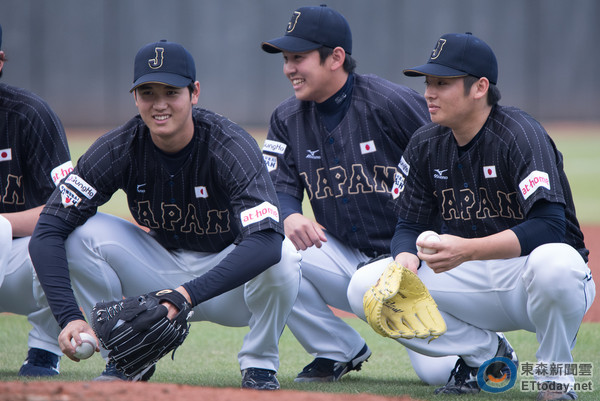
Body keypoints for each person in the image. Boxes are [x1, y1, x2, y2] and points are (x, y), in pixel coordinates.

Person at [29, 39, 301, 390]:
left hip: (228, 284)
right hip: (157, 275)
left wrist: (185, 295)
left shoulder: (230, 144)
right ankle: (127, 359)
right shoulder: (119, 146)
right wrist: (69, 317)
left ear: (194, 92)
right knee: (81, 233)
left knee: (284, 254)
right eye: (147, 92)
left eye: (171, 91)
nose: (159, 104)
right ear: (135, 97)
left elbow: (265, 242)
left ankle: (260, 366)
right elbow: (49, 227)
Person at [347, 32, 595, 400]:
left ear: (479, 87)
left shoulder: (520, 134)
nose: (429, 92)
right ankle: (487, 354)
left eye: (442, 83)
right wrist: (404, 263)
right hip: (468, 277)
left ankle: (554, 382)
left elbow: (549, 226)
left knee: (556, 264)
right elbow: (410, 225)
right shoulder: (426, 142)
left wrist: (467, 250)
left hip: (528, 277)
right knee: (365, 285)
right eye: (428, 82)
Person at [261, 5, 457, 385]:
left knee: (441, 372)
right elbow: (277, 185)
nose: (289, 68)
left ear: (335, 58)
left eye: (298, 57)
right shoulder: (286, 118)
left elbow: (449, 157)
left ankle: (490, 346)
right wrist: (289, 214)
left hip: (414, 262)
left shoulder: (389, 103)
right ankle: (336, 348)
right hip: (346, 256)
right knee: (269, 249)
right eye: (286, 59)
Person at [0, 23, 73, 376]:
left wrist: (2, 224)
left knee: (76, 241)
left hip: (19, 257)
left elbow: (65, 206)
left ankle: (44, 350)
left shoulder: (29, 115)